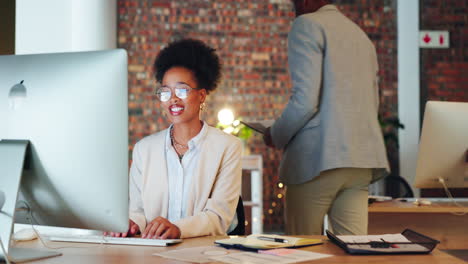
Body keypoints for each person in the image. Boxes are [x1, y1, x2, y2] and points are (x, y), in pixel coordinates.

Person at [263, 0, 389, 235]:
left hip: (317, 160)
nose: (295, 7)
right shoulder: (360, 35)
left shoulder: (306, 24)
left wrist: (276, 134)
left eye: (296, 2)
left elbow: (305, 102)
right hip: (359, 160)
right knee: (352, 251)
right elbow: (373, 101)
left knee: (303, 250)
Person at [110, 39, 242, 239]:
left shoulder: (227, 147)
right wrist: (130, 224)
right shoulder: (144, 150)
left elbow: (219, 218)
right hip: (153, 255)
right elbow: (137, 212)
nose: (172, 99)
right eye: (165, 92)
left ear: (202, 95)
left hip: (204, 254)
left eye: (182, 90)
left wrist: (178, 228)